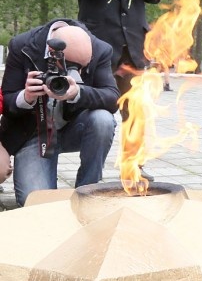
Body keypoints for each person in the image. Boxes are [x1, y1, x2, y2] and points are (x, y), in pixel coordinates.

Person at [0, 21, 118, 206]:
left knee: (103, 120)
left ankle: (88, 192)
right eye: (72, 68)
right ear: (51, 52)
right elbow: (6, 103)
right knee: (36, 204)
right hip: (33, 133)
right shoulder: (22, 46)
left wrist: (78, 93)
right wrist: (26, 96)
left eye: (82, 68)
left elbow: (112, 98)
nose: (77, 74)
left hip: (74, 127)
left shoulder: (100, 49)